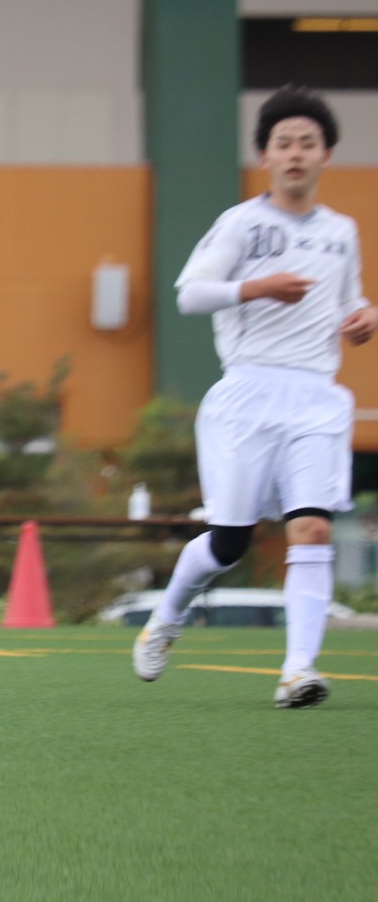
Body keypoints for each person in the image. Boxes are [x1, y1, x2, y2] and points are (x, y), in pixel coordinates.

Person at [133, 86, 376, 707]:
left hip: (317, 397)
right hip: (247, 393)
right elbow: (191, 294)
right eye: (283, 144)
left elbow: (349, 300)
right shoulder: (241, 223)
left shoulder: (341, 232)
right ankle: (167, 618)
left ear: (326, 155)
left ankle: (298, 671)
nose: (295, 154)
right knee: (229, 543)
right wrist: (257, 286)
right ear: (265, 156)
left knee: (312, 529)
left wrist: (363, 317)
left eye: (307, 144)